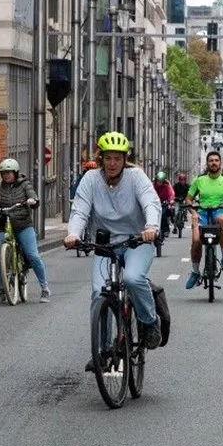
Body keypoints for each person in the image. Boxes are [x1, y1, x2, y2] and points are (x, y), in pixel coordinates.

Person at [64, 131, 163, 364]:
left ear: (124, 159)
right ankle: (101, 351)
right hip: (105, 244)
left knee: (132, 278)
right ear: (100, 158)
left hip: (137, 240)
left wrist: (151, 227)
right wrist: (73, 234)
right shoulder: (90, 179)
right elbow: (80, 210)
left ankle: (149, 323)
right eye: (107, 158)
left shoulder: (136, 176)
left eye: (117, 158)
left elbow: (151, 202)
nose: (112, 163)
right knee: (99, 293)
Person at [0, 158, 49, 303]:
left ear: (15, 173)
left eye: (9, 173)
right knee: (1, 260)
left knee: (33, 255)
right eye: (4, 173)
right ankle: (2, 292)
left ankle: (44, 288)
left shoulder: (24, 184)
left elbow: (33, 196)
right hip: (3, 225)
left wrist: (33, 200)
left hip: (23, 225)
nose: (6, 176)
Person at [184, 151, 223, 288]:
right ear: (207, 163)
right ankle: (195, 271)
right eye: (211, 160)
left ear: (221, 163)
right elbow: (189, 198)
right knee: (197, 240)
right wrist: (193, 211)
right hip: (202, 212)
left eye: (216, 160)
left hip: (219, 209)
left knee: (222, 219)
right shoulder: (199, 179)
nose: (214, 163)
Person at [153, 171, 175, 238]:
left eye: (161, 181)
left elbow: (171, 194)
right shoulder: (152, 186)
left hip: (163, 203)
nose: (159, 183)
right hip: (154, 204)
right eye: (158, 181)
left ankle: (165, 230)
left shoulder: (167, 186)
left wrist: (171, 200)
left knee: (163, 215)